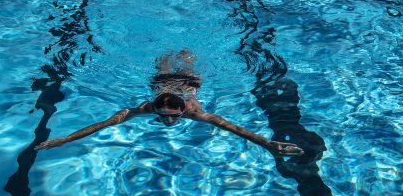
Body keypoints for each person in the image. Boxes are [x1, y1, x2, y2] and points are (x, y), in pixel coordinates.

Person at [35, 49, 305, 158]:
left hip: (188, 81)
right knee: (163, 62)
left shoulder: (194, 111)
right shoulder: (145, 108)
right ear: (155, 107)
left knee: (186, 61)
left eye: (171, 117)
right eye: (164, 116)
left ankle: (185, 52)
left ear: (180, 109)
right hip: (162, 80)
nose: (168, 121)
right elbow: (102, 125)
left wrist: (267, 144)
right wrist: (65, 139)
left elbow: (232, 128)